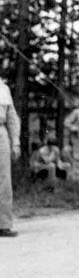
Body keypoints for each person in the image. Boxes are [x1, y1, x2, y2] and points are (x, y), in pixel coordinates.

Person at [0, 77, 22, 237]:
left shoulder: (4, 89)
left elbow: (12, 118)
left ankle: (3, 224)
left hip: (1, 133)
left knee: (4, 180)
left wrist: (15, 142)